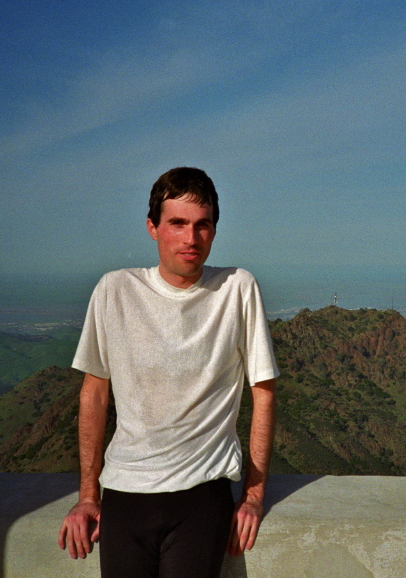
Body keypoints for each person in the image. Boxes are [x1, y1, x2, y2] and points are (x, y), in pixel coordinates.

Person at [58, 167, 279, 578]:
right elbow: (94, 394)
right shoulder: (114, 290)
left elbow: (263, 392)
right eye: (177, 223)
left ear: (214, 229)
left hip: (202, 494)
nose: (190, 238)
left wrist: (253, 494)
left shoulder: (238, 288)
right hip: (125, 492)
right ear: (152, 228)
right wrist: (88, 496)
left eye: (202, 225)